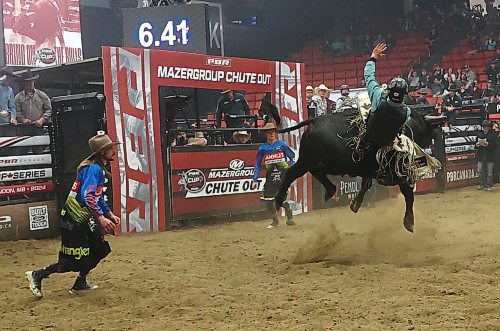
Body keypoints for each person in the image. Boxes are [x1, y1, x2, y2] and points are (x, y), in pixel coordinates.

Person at [25, 133, 121, 298]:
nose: (114, 150)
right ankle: (38, 274)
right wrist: (101, 217)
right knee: (73, 260)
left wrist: (109, 213)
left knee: (99, 249)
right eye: (110, 148)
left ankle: (80, 282)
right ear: (102, 152)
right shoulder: (94, 169)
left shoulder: (94, 167)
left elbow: (96, 196)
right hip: (74, 218)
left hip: (80, 217)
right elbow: (88, 196)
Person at [364, 43, 411, 148]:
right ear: (404, 95)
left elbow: (369, 77)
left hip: (370, 138)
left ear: (388, 91)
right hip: (388, 143)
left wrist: (373, 57)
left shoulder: (378, 97)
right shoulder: (406, 112)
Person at [250, 123, 295, 229]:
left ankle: (290, 217)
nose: (271, 133)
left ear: (275, 132)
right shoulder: (263, 148)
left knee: (281, 199)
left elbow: (292, 157)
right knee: (268, 199)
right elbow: (257, 164)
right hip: (270, 177)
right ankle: (275, 221)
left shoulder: (282, 145)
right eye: (269, 131)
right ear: (265, 134)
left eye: (273, 131)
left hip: (282, 176)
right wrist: (255, 179)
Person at [15, 70, 52, 154]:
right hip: (24, 129)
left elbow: (49, 109)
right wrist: (23, 120)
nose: (30, 83)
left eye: (31, 81)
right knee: (23, 152)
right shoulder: (18, 97)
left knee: (39, 152)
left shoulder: (42, 95)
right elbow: (17, 111)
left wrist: (42, 120)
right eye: (28, 82)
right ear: (23, 83)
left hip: (38, 128)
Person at [476, 120, 498, 191]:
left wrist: (488, 144)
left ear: (489, 127)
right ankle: (482, 184)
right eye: (484, 126)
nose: (485, 128)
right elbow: (475, 144)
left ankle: (488, 185)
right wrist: (477, 145)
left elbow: (496, 145)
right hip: (481, 154)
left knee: (489, 172)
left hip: (489, 155)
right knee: (480, 170)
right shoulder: (479, 134)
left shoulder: (493, 134)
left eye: (486, 126)